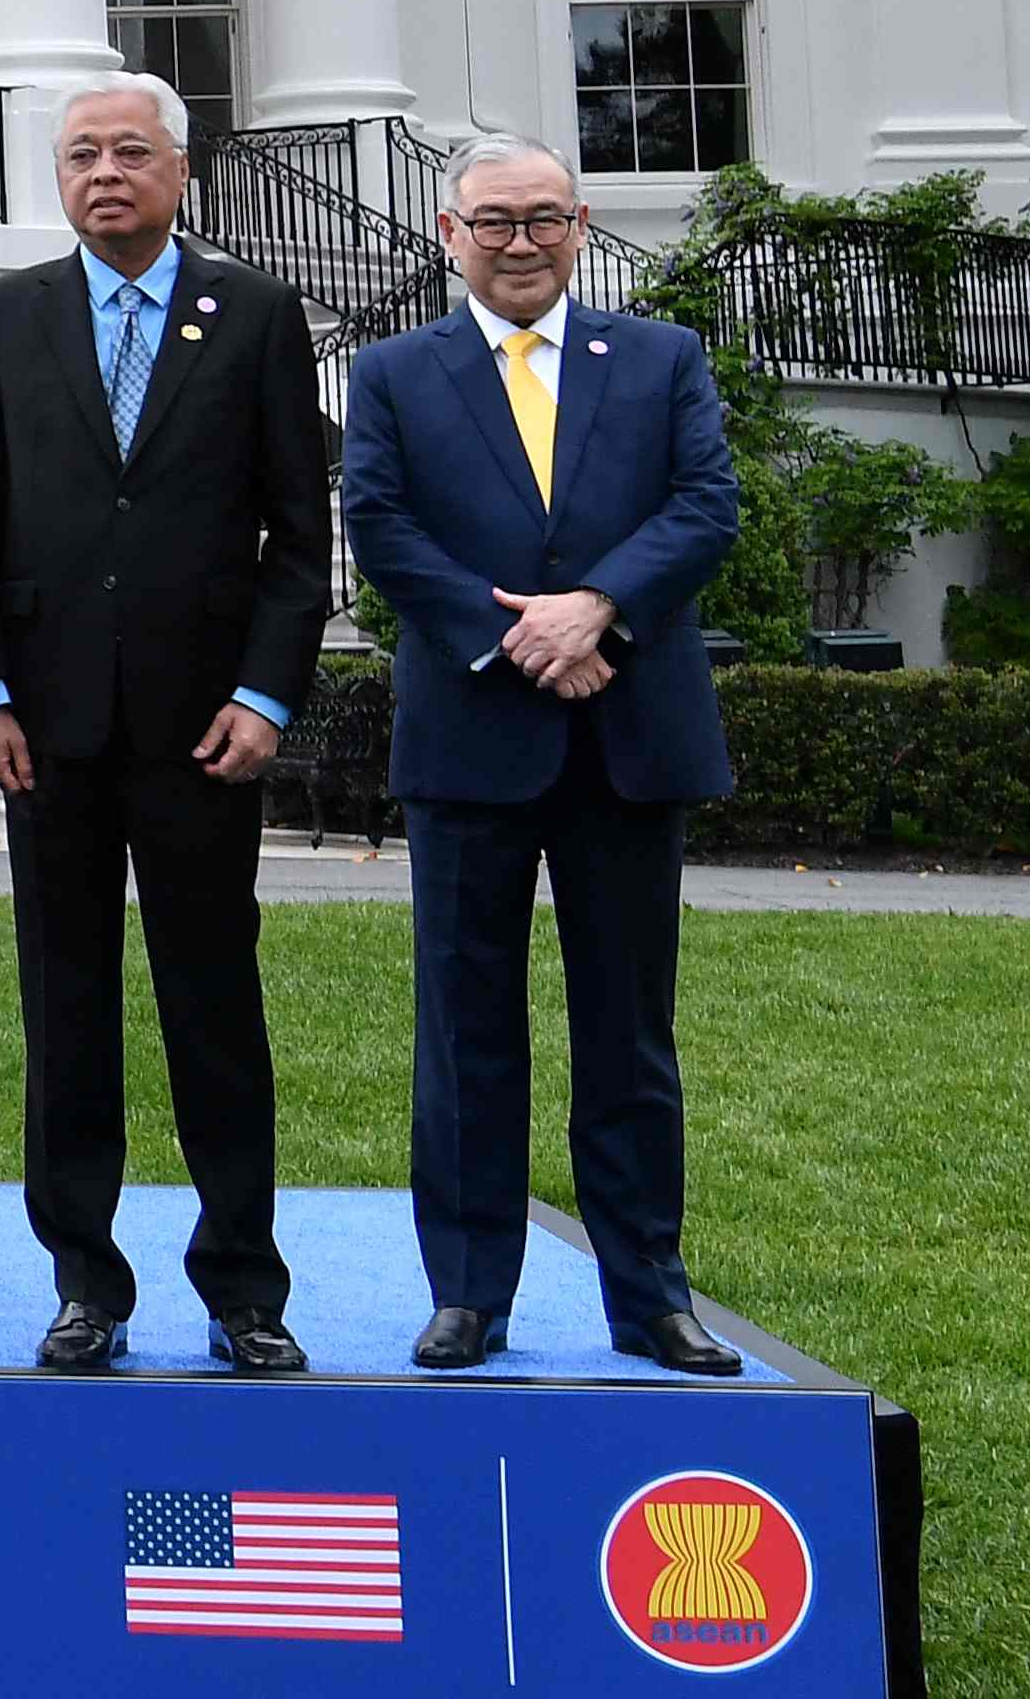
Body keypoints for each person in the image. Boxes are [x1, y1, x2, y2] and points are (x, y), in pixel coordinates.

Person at [0, 73, 333, 1376]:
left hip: (202, 729)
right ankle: (82, 1282)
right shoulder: (1, 317)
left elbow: (295, 535)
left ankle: (240, 1285)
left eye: (127, 150)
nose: (101, 171)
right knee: (64, 1007)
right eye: (77, 154)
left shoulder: (256, 315)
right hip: (44, 732)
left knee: (211, 1001)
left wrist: (264, 691)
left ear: (178, 168)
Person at [343, 134, 746, 1375]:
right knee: (464, 1031)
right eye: (492, 221)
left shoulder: (661, 357)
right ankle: (468, 1293)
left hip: (626, 733)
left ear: (577, 227)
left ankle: (649, 1295)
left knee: (627, 1030)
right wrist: (515, 631)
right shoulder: (394, 370)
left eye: (542, 218)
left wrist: (596, 609)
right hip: (472, 736)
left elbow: (703, 502)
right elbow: (377, 518)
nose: (518, 241)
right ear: (448, 235)